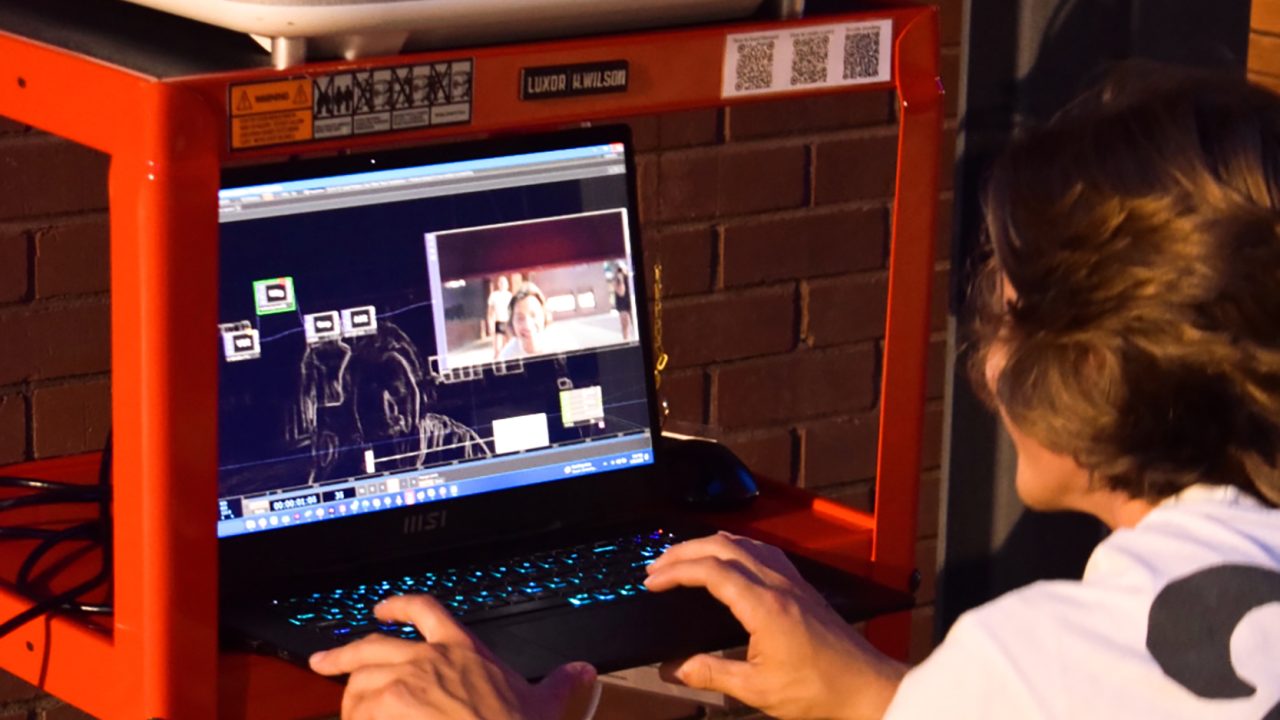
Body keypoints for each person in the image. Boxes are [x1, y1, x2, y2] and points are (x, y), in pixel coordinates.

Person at [309, 66, 1280, 719]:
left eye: (1003, 310)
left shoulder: (1035, 665)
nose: (982, 353)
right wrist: (875, 697)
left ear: (1089, 370)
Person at [487, 275, 513, 360]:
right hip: (498, 322)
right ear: (498, 284)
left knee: (509, 347)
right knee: (497, 349)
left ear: (507, 284)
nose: (502, 284)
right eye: (501, 282)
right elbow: (490, 313)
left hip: (508, 323)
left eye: (504, 283)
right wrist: (491, 325)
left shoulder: (510, 296)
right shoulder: (494, 295)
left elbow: (512, 311)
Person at [611, 266, 632, 342]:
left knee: (634, 321)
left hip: (630, 302)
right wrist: (621, 280)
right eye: (619, 271)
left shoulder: (628, 278)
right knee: (624, 324)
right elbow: (621, 292)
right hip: (622, 304)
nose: (621, 273)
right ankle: (626, 340)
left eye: (621, 271)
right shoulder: (616, 281)